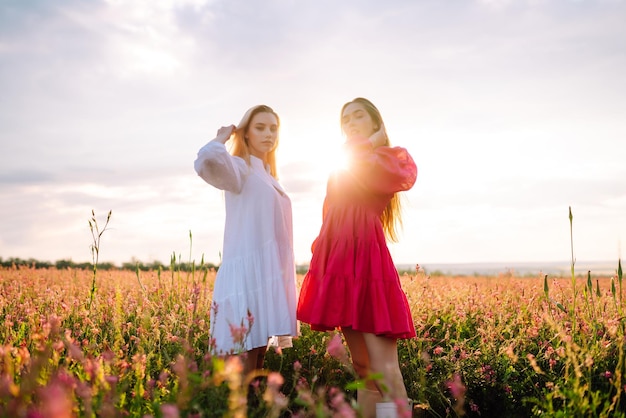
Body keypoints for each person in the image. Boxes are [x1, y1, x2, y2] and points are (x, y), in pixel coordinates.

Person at [297, 98, 417, 417]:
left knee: (385, 370)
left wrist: (372, 141)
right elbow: (328, 219)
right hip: (338, 267)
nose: (350, 123)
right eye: (345, 119)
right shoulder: (345, 164)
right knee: (364, 368)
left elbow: (401, 172)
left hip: (368, 267)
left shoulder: (385, 158)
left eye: (358, 116)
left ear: (376, 123)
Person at [194, 104, 297, 375]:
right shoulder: (240, 168)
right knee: (246, 359)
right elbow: (206, 161)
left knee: (258, 357)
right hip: (248, 274)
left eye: (273, 128)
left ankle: (254, 405)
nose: (268, 134)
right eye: (260, 127)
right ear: (247, 134)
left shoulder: (269, 175)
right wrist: (222, 137)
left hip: (268, 272)